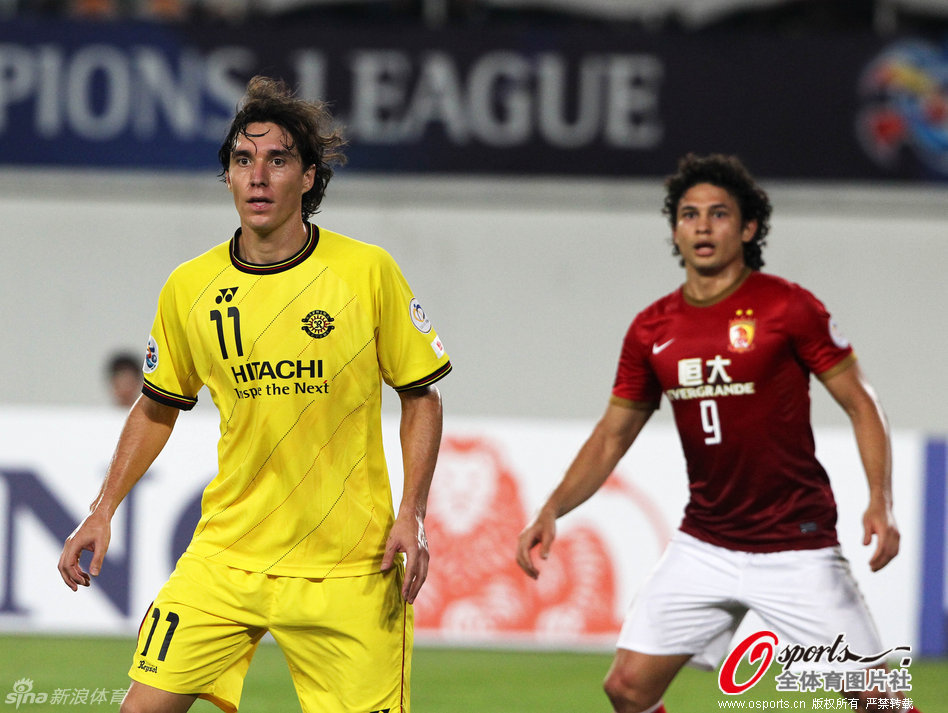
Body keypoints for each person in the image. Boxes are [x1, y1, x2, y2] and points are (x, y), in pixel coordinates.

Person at [58, 75, 451, 713]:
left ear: (308, 177)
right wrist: (102, 510)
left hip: (348, 568)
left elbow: (421, 397)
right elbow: (157, 406)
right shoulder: (190, 287)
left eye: (278, 160)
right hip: (226, 556)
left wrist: (413, 512)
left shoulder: (366, 272)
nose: (258, 177)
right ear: (228, 178)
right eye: (243, 160)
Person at [515, 153, 920, 713]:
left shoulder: (787, 307)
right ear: (675, 231)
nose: (702, 226)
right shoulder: (651, 329)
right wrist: (552, 509)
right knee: (626, 689)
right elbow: (612, 435)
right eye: (689, 214)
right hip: (705, 543)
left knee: (882, 703)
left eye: (719, 214)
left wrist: (881, 499)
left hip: (796, 546)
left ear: (748, 228)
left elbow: (861, 402)